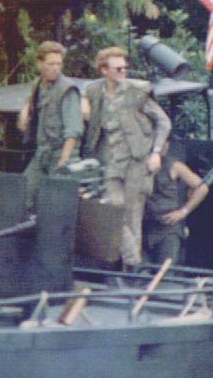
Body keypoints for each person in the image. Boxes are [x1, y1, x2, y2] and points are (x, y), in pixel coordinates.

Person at [82, 46, 171, 268]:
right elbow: (83, 91)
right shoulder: (94, 91)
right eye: (117, 68)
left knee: (132, 217)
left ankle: (130, 269)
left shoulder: (136, 92)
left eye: (125, 67)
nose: (123, 72)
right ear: (104, 70)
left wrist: (156, 153)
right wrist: (83, 102)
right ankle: (134, 263)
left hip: (136, 162)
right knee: (114, 212)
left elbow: (164, 122)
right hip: (109, 162)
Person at [17, 41, 83, 213]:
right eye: (51, 64)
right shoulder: (37, 85)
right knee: (22, 195)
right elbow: (32, 102)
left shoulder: (67, 90)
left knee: (55, 208)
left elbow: (73, 131)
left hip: (61, 154)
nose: (55, 68)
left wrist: (63, 162)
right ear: (40, 64)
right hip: (42, 153)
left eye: (59, 64)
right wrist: (25, 111)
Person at [143, 140, 209, 265]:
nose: (164, 146)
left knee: (166, 271)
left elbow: (202, 187)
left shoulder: (174, 165)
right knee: (139, 273)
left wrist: (184, 211)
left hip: (168, 228)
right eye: (160, 142)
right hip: (143, 226)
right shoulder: (138, 164)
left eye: (166, 142)